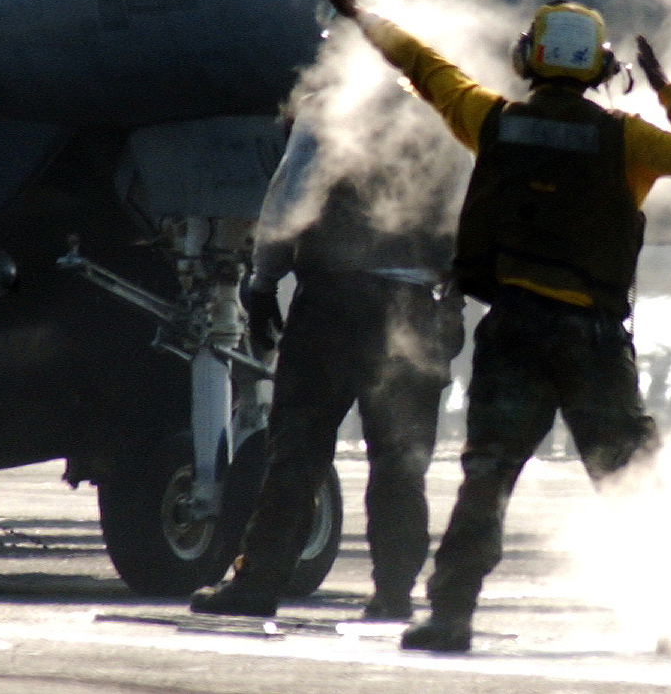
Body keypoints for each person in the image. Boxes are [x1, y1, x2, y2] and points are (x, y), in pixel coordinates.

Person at [311, 0, 671, 653]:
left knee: (487, 479)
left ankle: (449, 617)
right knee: (631, 481)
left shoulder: (493, 121)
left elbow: (425, 66)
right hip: (591, 339)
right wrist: (668, 87)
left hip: (516, 333)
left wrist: (356, 13)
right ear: (599, 68)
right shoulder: (627, 141)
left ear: (528, 58)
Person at [191, 77, 466, 622]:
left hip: (333, 302)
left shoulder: (327, 111)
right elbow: (466, 217)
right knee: (400, 462)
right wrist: (452, 303)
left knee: (297, 451)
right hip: (412, 303)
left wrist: (264, 280)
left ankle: (259, 584)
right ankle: (393, 593)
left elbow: (290, 196)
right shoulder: (442, 119)